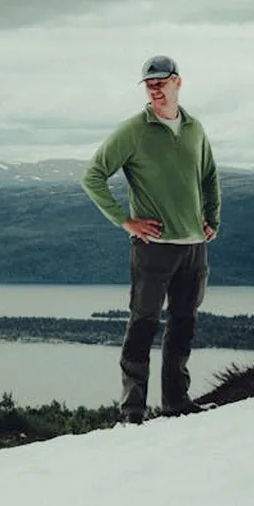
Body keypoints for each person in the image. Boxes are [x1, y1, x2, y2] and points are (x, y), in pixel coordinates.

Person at [81, 54, 221, 425]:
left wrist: (212, 219)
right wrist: (125, 221)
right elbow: (92, 176)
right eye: (150, 84)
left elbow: (209, 177)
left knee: (183, 323)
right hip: (153, 248)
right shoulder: (134, 130)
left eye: (161, 82)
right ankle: (132, 410)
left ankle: (176, 401)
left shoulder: (195, 129)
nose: (155, 89)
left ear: (178, 82)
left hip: (194, 247)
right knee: (143, 323)